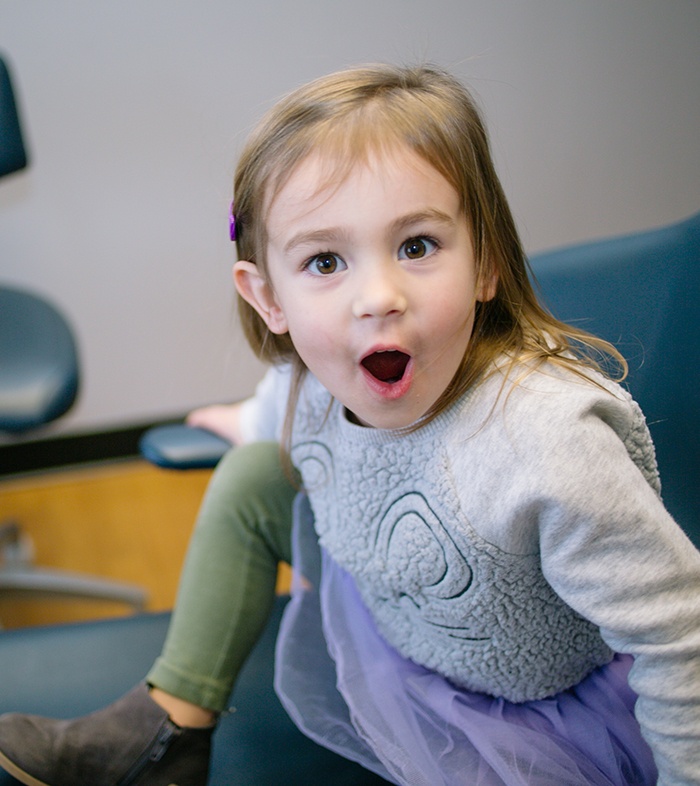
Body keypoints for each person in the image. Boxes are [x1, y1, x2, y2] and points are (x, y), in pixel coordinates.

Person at [0, 63, 699, 786]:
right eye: (326, 261)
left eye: (417, 246)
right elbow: (284, 405)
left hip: (537, 712)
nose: (377, 297)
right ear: (269, 297)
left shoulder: (549, 444)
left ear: (487, 260)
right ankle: (168, 731)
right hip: (410, 630)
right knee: (251, 473)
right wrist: (244, 421)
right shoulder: (316, 382)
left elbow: (681, 638)